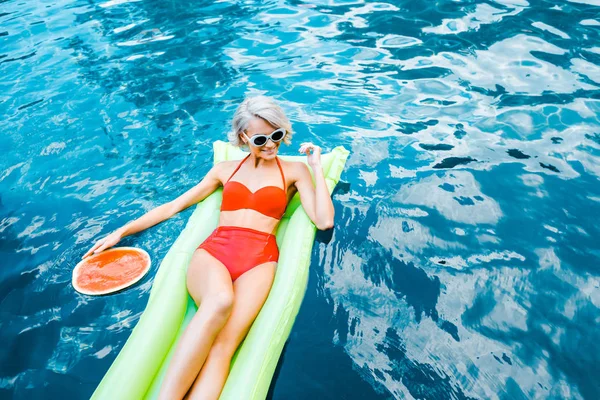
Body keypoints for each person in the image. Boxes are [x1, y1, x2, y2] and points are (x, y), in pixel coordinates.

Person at [82, 96, 335, 400]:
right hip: (215, 253)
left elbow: (323, 221)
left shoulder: (294, 172)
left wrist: (317, 167)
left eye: (277, 135)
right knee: (218, 301)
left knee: (222, 347)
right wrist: (122, 231)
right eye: (260, 138)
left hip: (260, 261)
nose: (271, 145)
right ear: (244, 137)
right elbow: (174, 205)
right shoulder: (224, 169)